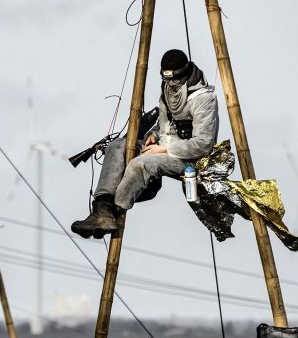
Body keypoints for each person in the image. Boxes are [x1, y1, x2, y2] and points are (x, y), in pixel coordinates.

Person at [72, 49, 219, 238]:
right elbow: (165, 126)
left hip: (189, 158)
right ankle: (102, 208)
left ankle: (115, 209)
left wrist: (165, 148)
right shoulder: (166, 89)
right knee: (117, 146)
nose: (171, 83)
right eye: (167, 78)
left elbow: (203, 143)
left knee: (140, 163)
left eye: (174, 79)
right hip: (162, 147)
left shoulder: (203, 98)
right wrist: (153, 135)